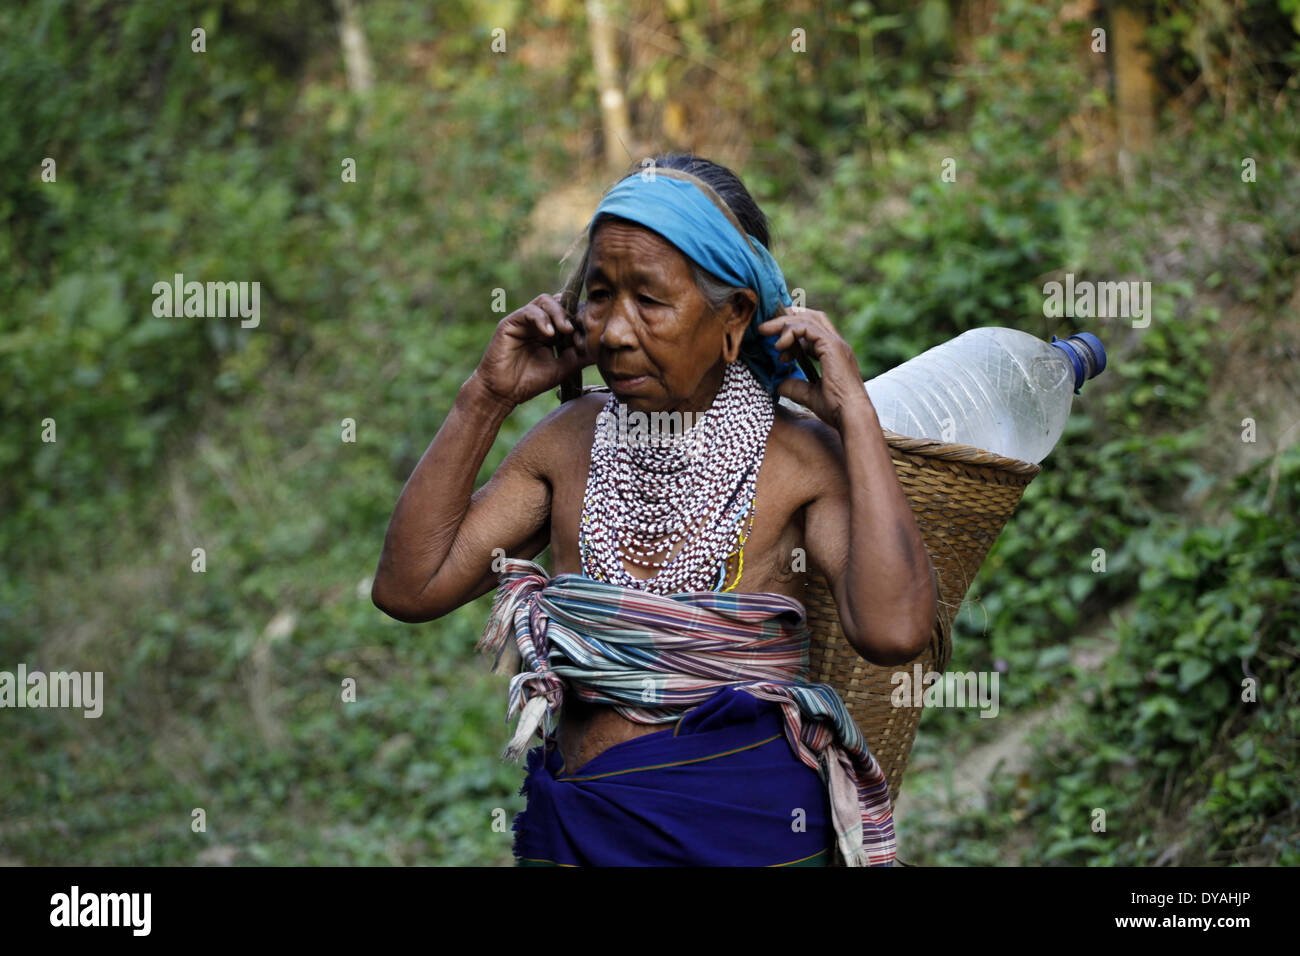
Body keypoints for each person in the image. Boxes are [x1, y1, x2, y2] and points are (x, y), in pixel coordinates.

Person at [371, 153, 937, 866]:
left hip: (748, 835)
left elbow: (894, 631)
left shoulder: (797, 461)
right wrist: (485, 396)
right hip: (579, 830)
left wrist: (855, 414)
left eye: (650, 299)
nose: (611, 331)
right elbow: (408, 588)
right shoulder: (567, 445)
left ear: (734, 318)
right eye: (599, 295)